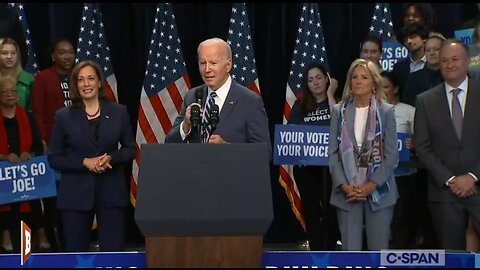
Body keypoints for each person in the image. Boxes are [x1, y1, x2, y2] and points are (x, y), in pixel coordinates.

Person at [47, 60, 135, 252]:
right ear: (76, 85)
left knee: (112, 255)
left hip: (111, 193)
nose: (86, 84)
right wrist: (84, 162)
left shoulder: (119, 112)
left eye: (91, 78)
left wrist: (111, 157)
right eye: (81, 80)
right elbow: (54, 158)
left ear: (99, 82)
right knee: (76, 254)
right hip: (75, 195)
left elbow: (130, 149)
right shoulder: (64, 117)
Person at [414, 39, 480, 250]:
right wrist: (450, 179)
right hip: (444, 194)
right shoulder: (425, 101)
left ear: (468, 60)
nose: (450, 65)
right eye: (444, 60)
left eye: (455, 59)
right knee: (453, 257)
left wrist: (472, 176)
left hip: (479, 185)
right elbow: (422, 147)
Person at [328, 59, 398, 251]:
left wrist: (371, 185)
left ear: (374, 83)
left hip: (379, 192)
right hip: (347, 193)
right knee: (350, 253)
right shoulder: (338, 111)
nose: (358, 81)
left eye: (364, 77)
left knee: (378, 251)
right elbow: (333, 154)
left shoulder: (386, 112)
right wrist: (344, 186)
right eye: (354, 77)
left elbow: (391, 156)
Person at [165, 37, 270, 149]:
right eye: (202, 63)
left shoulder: (250, 101)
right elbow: (169, 144)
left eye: (213, 63)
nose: (207, 69)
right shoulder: (192, 96)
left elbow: (264, 152)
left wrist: (227, 148)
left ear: (228, 65)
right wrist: (185, 125)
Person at [287, 62, 339, 251]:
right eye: (310, 80)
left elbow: (341, 123)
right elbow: (291, 133)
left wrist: (331, 95)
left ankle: (331, 247)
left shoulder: (337, 102)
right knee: (311, 209)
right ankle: (316, 250)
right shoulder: (300, 105)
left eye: (319, 77)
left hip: (332, 167)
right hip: (306, 167)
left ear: (327, 79)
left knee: (331, 208)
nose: (315, 82)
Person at [31, 38, 75, 251]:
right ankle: (55, 242)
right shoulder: (43, 78)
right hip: (52, 148)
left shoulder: (80, 76)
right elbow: (38, 112)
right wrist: (43, 141)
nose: (67, 56)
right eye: (62, 52)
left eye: (70, 52)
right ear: (53, 56)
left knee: (74, 198)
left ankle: (73, 241)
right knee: (53, 200)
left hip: (76, 149)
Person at [0, 76, 43, 253]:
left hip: (26, 186)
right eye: (5, 92)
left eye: (13, 91)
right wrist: (2, 157)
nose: (10, 95)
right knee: (8, 243)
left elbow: (39, 147)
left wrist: (30, 154)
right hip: (3, 188)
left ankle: (27, 257)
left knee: (27, 225)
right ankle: (6, 247)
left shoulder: (28, 117)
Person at [380, 71, 417, 249]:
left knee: (402, 220)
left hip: (404, 174)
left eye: (385, 86)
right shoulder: (370, 110)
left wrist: (414, 143)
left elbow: (422, 140)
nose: (381, 90)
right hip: (377, 177)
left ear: (395, 88)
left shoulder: (409, 111)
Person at [0, 37, 34, 111]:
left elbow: (33, 110)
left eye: (13, 53)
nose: (9, 57)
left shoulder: (29, 79)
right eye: (4, 53)